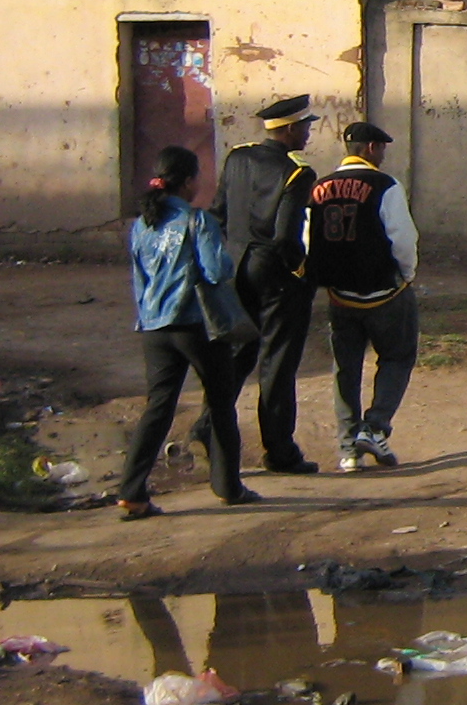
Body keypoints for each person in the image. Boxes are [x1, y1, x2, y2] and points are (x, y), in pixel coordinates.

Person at [117, 147, 256, 520]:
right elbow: (214, 271)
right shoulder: (197, 220)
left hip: (154, 325)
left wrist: (149, 315)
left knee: (158, 407)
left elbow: (138, 278)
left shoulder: (142, 224)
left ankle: (132, 492)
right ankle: (228, 487)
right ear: (189, 180)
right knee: (221, 401)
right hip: (196, 325)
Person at [212, 96, 320, 473]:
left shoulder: (237, 158)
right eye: (305, 126)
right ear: (289, 129)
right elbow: (286, 238)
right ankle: (279, 449)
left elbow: (219, 214)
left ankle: (209, 428)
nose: (308, 132)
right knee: (277, 361)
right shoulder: (296, 172)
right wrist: (303, 274)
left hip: (235, 265)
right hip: (274, 273)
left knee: (238, 355)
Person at [305, 123, 419, 474]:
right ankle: (375, 426)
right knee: (397, 358)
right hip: (384, 291)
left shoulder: (319, 187)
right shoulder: (385, 185)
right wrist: (407, 274)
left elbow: (308, 241)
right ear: (370, 148)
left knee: (346, 368)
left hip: (341, 295)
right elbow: (402, 237)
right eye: (381, 148)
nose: (383, 155)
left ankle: (348, 449)